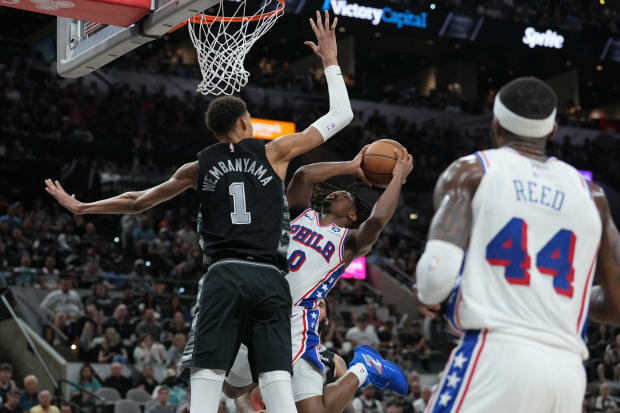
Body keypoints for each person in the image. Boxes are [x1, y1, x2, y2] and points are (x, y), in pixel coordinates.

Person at [46, 10, 354, 413]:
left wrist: (84, 206)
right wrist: (330, 60)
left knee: (208, 373)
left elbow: (138, 201)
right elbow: (340, 116)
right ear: (246, 122)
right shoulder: (275, 151)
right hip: (271, 279)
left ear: (213, 132)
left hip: (224, 274)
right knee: (276, 377)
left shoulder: (197, 167)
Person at [415, 77, 620, 413]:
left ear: (496, 124)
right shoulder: (594, 196)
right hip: (567, 374)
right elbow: (617, 305)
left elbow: (433, 283)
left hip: (496, 355)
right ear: (552, 130)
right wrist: (546, 293)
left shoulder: (470, 172)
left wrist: (433, 289)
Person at [223, 145, 413, 413]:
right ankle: (360, 369)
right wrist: (351, 165)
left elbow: (377, 220)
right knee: (231, 388)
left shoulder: (348, 242)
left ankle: (362, 369)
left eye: (344, 195)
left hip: (291, 318)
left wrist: (397, 177)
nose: (335, 191)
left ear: (352, 215)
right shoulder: (301, 215)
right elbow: (302, 175)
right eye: (336, 190)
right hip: (254, 304)